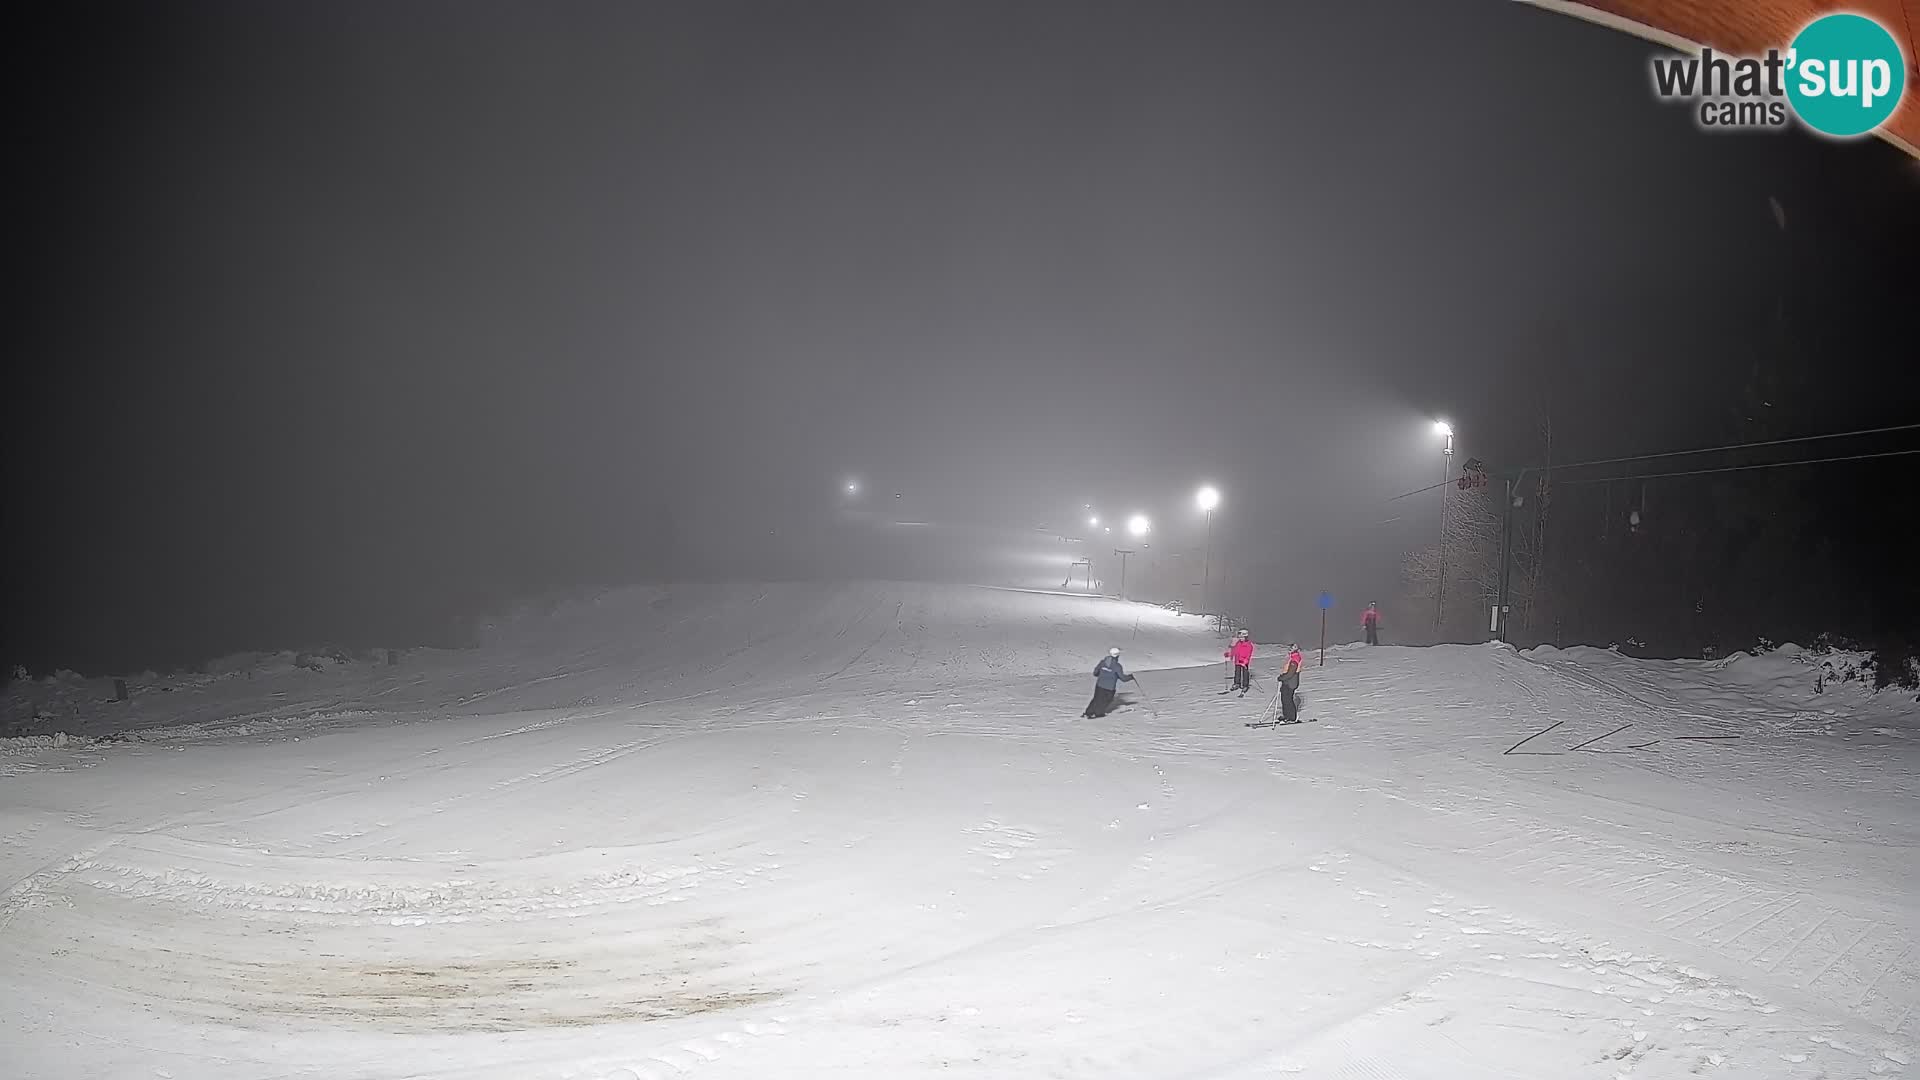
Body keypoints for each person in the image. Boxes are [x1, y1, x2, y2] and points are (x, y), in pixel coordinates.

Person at [1082, 647, 1135, 719]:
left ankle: (1089, 712)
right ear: (1118, 656)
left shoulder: (1102, 662)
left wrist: (1102, 674)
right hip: (1109, 688)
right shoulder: (1117, 666)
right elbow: (1123, 678)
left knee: (1096, 698)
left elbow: (1095, 673)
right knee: (1106, 701)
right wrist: (1131, 677)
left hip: (1099, 685)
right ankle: (1098, 713)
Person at [1278, 641, 1304, 723]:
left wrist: (1282, 678)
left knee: (1288, 700)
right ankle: (1286, 715)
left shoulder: (1295, 659)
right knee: (1284, 699)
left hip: (1290, 683)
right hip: (1287, 682)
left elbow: (1290, 673)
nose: (1289, 650)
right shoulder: (1292, 658)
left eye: (1291, 648)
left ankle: (1291, 717)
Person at [1224, 629, 1255, 694]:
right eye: (1240, 637)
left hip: (1244, 661)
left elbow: (1248, 654)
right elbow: (1235, 651)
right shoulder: (1238, 643)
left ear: (1246, 637)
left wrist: (1245, 661)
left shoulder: (1249, 645)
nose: (1241, 638)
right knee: (1237, 672)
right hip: (1237, 660)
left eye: (1242, 637)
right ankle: (1237, 683)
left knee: (1245, 673)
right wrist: (1229, 654)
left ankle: (1245, 685)